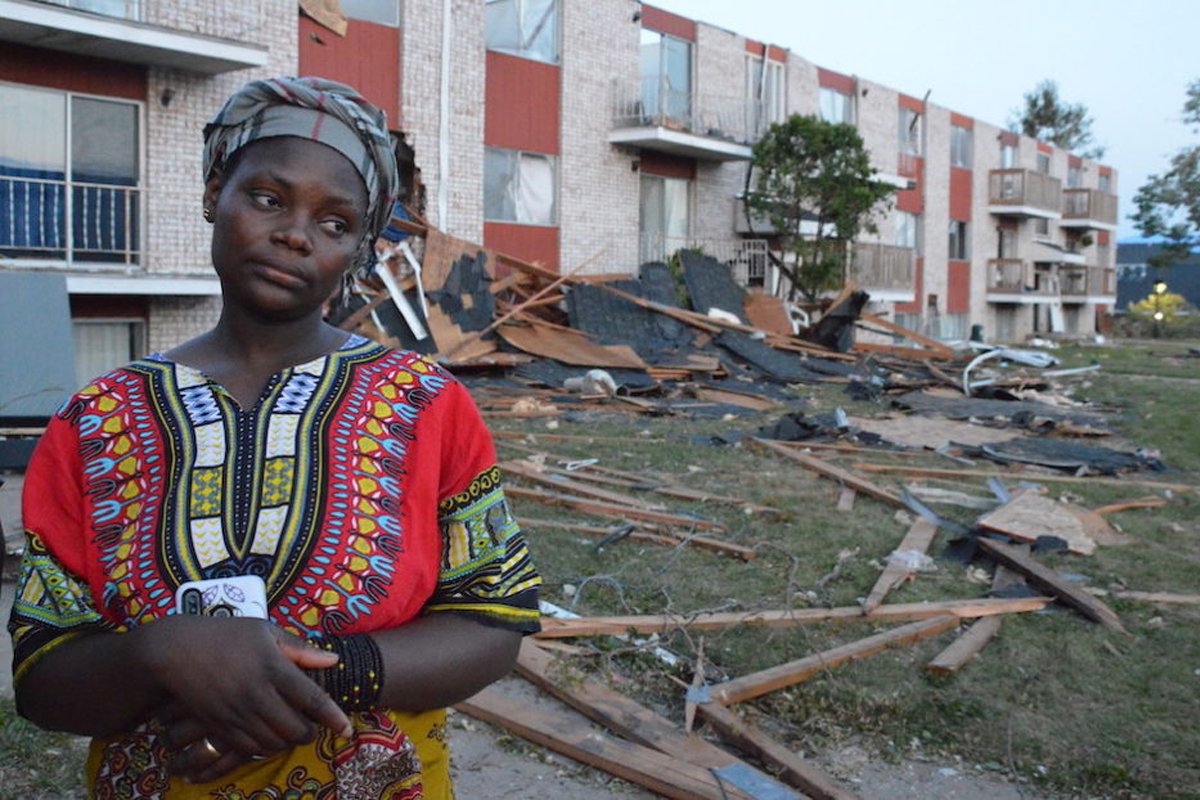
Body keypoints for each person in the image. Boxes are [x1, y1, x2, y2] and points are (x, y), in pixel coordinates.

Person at [7, 76, 540, 799]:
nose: (293, 233)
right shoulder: (97, 417)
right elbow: (44, 678)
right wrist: (162, 653)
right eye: (267, 198)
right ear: (213, 194)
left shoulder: (427, 404)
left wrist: (314, 676)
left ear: (356, 248)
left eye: (334, 222)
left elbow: (494, 620)